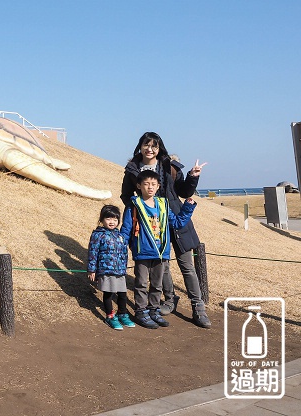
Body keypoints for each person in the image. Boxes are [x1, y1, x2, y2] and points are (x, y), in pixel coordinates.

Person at [120, 132, 211, 329]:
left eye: (154, 145)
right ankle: (170, 299)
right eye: (146, 145)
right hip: (150, 225)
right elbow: (126, 195)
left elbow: (184, 192)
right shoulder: (132, 170)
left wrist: (193, 177)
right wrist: (139, 210)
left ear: (159, 148)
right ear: (140, 146)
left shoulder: (169, 166)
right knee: (164, 267)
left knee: (187, 265)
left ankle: (199, 308)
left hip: (175, 217)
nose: (150, 149)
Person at [121, 169, 196, 328]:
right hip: (142, 252)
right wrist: (121, 249)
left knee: (157, 284)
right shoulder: (133, 205)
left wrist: (188, 208)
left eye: (153, 184)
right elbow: (126, 229)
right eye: (146, 184)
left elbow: (176, 223)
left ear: (158, 186)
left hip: (161, 252)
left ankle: (153, 310)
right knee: (141, 283)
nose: (149, 187)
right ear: (139, 186)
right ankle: (140, 312)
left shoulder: (163, 205)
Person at [87, 205, 136, 330]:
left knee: (122, 294)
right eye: (108, 218)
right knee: (108, 294)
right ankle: (110, 316)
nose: (112, 222)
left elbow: (124, 253)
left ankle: (122, 314)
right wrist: (92, 269)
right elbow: (93, 253)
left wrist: (124, 268)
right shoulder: (98, 235)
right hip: (105, 270)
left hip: (119, 271)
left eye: (115, 219)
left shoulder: (119, 235)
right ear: (102, 219)